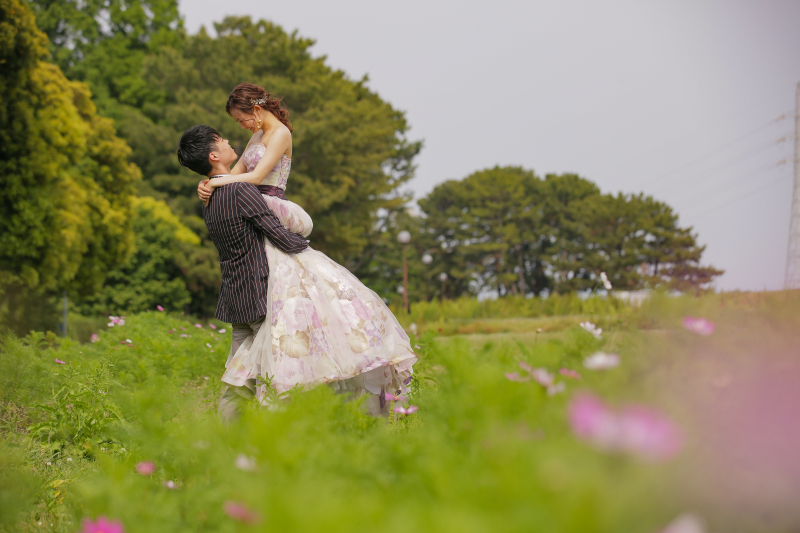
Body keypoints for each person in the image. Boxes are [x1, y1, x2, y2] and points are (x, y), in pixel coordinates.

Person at [189, 83, 417, 417]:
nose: (242, 128)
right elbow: (233, 173)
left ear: (254, 109)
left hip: (267, 201)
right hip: (251, 203)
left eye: (242, 120)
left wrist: (220, 182)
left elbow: (255, 177)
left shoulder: (279, 134)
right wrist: (208, 181)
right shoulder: (255, 139)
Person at [177, 124, 309, 418]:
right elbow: (278, 234)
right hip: (261, 294)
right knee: (272, 375)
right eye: (221, 140)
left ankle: (229, 439)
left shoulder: (209, 198)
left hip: (235, 295)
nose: (228, 141)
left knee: (238, 378)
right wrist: (310, 253)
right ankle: (268, 441)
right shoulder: (240, 190)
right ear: (214, 155)